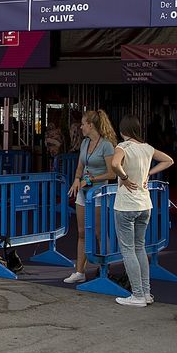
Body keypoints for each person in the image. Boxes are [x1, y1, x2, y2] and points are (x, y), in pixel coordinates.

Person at [108, 115, 174, 306]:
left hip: (125, 205)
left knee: (128, 250)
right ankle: (145, 292)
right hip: (145, 204)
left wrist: (124, 177)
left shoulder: (123, 147)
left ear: (123, 131)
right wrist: (149, 174)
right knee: (140, 248)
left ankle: (137, 294)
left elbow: (114, 164)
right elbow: (168, 160)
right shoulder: (147, 148)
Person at [63, 109, 118, 284]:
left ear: (91, 125)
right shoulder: (85, 143)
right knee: (81, 232)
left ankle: (105, 269)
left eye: (83, 124)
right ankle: (80, 271)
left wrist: (93, 179)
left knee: (99, 233)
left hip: (99, 193)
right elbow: (80, 166)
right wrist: (76, 180)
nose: (80, 127)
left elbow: (112, 173)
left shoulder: (107, 145)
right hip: (84, 192)